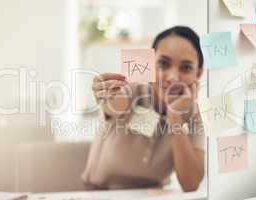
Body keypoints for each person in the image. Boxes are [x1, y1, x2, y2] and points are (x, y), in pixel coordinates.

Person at [81, 26, 205, 192]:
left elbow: (191, 184)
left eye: (186, 67)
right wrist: (104, 93)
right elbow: (112, 104)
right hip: (101, 194)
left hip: (154, 195)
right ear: (149, 64)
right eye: (163, 64)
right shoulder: (131, 91)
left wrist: (175, 118)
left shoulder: (193, 115)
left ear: (198, 74)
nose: (173, 77)